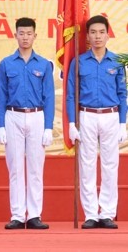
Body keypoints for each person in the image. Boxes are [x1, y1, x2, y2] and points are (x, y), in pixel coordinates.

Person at [67, 15, 127, 229]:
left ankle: (107, 213)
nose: (97, 36)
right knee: (87, 165)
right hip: (87, 116)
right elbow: (70, 95)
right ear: (88, 36)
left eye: (102, 32)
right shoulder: (79, 61)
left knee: (111, 165)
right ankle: (91, 214)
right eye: (93, 32)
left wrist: (123, 123)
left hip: (111, 116)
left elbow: (123, 93)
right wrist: (72, 123)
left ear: (108, 35)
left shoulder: (117, 62)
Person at [0, 17, 54, 230]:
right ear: (15, 35)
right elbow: (1, 96)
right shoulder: (6, 64)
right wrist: (0, 124)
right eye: (21, 33)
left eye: (29, 33)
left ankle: (35, 215)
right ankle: (18, 215)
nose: (25, 37)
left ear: (35, 36)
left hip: (37, 116)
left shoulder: (44, 65)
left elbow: (49, 97)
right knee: (15, 168)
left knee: (36, 168)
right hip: (13, 116)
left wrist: (48, 126)